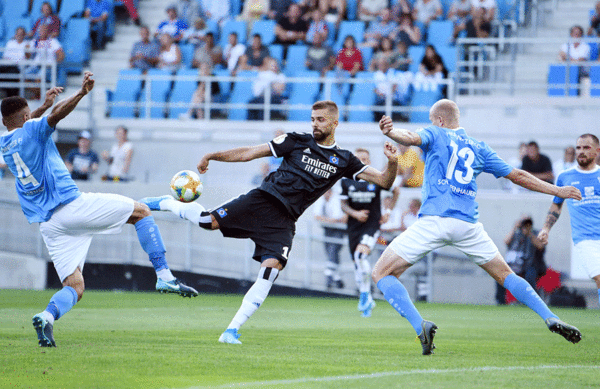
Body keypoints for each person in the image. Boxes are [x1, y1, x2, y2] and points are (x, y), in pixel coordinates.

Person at [140, 100, 399, 344]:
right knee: (207, 221)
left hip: (285, 221)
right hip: (262, 200)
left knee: (270, 270)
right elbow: (250, 153)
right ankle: (165, 202)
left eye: (320, 120)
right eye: (312, 119)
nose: (315, 124)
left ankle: (231, 330)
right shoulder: (296, 140)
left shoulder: (344, 160)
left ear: (334, 123)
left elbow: (385, 182)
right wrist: (212, 155)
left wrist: (393, 162)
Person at [371, 99, 582, 356]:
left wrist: (391, 131)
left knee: (381, 273)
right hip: (468, 225)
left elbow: (411, 137)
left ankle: (420, 326)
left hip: (435, 220)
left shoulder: (435, 133)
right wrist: (557, 190)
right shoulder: (480, 148)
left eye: (431, 119)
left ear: (439, 120)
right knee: (506, 276)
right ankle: (549, 316)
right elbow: (518, 175)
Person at [0, 74, 197, 348]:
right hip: (71, 206)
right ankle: (165, 277)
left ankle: (46, 316)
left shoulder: (5, 143)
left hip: (49, 225)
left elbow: (24, 125)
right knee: (140, 212)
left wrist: (42, 107)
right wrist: (81, 93)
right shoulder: (33, 129)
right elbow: (54, 117)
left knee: (75, 287)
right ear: (25, 118)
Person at [538, 133, 600, 307]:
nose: (581, 151)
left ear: (597, 151)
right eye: (578, 147)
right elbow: (556, 206)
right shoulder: (565, 177)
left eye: (586, 147)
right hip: (586, 239)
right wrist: (545, 228)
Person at [341, 148, 393, 317]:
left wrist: (388, 212)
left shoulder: (377, 178)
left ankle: (364, 295)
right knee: (357, 264)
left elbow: (395, 191)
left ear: (369, 161)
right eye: (359, 159)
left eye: (365, 159)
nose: (362, 161)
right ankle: (367, 299)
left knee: (360, 256)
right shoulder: (346, 181)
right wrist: (355, 214)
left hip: (372, 225)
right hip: (353, 227)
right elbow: (343, 204)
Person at [497, 216, 546, 305]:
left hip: (529, 265)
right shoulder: (516, 233)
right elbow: (506, 241)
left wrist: (529, 234)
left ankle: (530, 302)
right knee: (500, 275)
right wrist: (514, 227)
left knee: (530, 276)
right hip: (514, 265)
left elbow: (540, 246)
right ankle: (500, 301)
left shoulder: (535, 233)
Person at [313, 188, 347, 288]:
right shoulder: (321, 199)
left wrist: (327, 220)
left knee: (333, 251)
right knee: (330, 253)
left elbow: (339, 218)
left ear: (330, 191)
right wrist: (330, 220)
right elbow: (316, 216)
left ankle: (328, 277)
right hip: (327, 229)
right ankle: (337, 278)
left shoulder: (336, 199)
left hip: (339, 230)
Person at [0, 27, 29, 98]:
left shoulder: (27, 44)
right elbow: (5, 57)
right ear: (15, 35)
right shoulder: (10, 43)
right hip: (8, 66)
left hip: (18, 68)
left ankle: (11, 96)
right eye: (18, 34)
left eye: (21, 34)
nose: (19, 36)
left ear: (24, 35)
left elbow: (26, 58)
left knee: (11, 73)